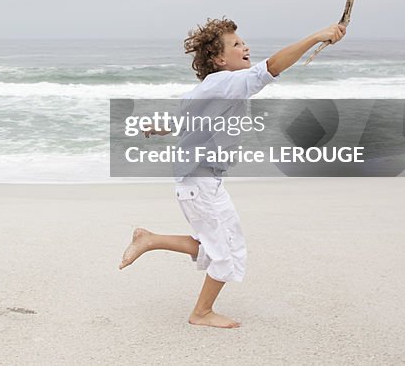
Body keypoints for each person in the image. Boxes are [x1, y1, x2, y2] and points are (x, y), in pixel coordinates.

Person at [118, 18, 346, 328]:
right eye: (237, 44)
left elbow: (182, 118)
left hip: (202, 181)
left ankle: (150, 239)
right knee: (224, 252)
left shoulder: (210, 88)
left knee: (221, 245)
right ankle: (201, 313)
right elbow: (273, 67)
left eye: (243, 41)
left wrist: (159, 129)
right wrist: (316, 36)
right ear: (219, 60)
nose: (245, 46)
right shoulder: (226, 82)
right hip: (199, 181)